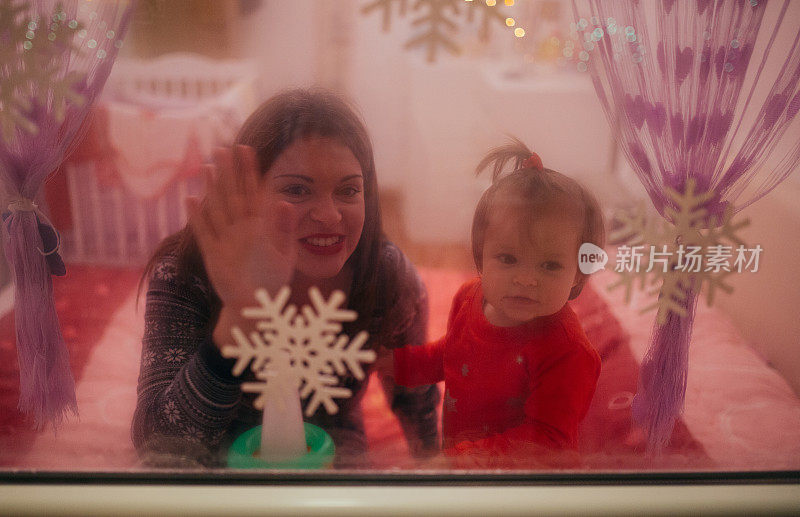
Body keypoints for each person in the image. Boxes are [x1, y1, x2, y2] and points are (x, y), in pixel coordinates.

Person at [132, 88, 439, 468]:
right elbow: (158, 444)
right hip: (215, 468)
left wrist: (439, 472)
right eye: (297, 189)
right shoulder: (186, 271)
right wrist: (239, 317)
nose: (329, 215)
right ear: (248, 192)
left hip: (332, 449)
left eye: (348, 190)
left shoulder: (388, 278)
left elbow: (416, 399)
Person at [394, 138, 604, 468]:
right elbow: (453, 354)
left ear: (579, 274)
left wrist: (456, 462)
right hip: (464, 464)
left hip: (523, 490)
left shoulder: (567, 350)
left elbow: (549, 442)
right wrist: (401, 365)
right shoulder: (468, 298)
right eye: (508, 258)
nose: (526, 279)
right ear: (481, 257)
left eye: (550, 265)